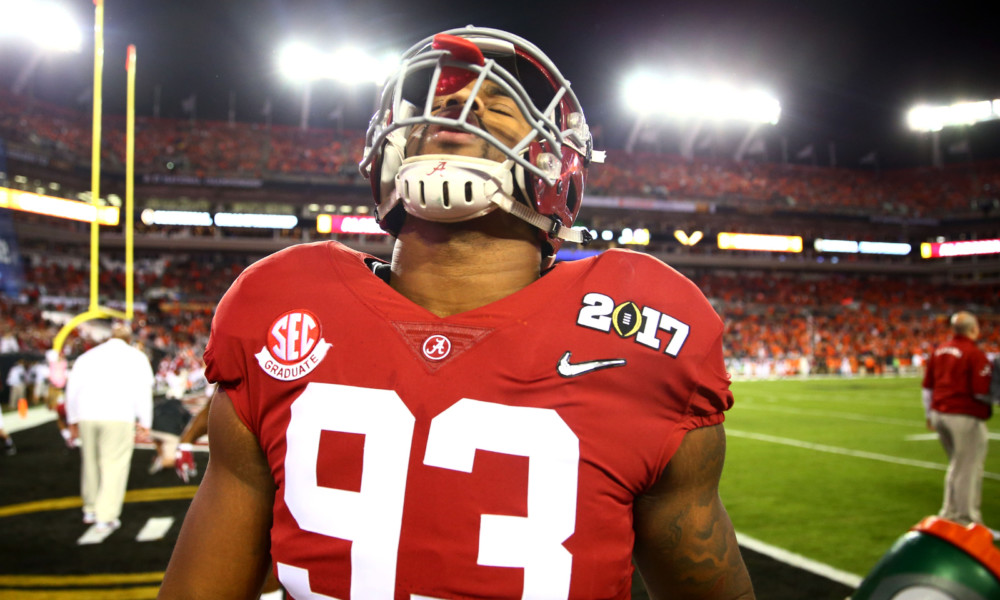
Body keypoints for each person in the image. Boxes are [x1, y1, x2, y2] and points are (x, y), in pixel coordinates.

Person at [160, 26, 754, 599]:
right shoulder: (280, 301)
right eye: (438, 99)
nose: (458, 105)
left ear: (555, 159)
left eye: (497, 103)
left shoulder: (644, 325)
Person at [66, 322, 154, 532]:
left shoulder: (87, 357)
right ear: (128, 339)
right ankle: (105, 516)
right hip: (119, 415)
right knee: (114, 465)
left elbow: (72, 389)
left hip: (87, 414)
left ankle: (90, 509)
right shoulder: (136, 357)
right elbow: (144, 390)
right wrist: (145, 421)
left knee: (90, 462)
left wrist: (72, 418)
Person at [922, 311, 994, 529]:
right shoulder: (974, 353)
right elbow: (981, 391)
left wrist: (928, 414)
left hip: (939, 413)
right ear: (974, 329)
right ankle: (967, 519)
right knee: (969, 468)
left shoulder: (939, 350)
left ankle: (949, 512)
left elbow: (927, 387)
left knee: (957, 465)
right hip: (963, 414)